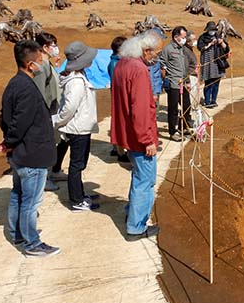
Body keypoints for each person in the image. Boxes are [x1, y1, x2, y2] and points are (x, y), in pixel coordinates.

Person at [0, 40, 60, 257]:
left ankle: (18, 233)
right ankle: (31, 243)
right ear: (30, 64)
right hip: (31, 154)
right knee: (30, 202)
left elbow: (4, 117)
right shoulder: (26, 88)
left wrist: (9, 142)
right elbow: (19, 122)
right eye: (40, 60)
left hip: (21, 153)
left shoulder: (14, 84)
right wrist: (10, 142)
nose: (43, 63)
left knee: (18, 194)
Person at [111, 32, 162, 240]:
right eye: (156, 53)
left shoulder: (122, 64)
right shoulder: (139, 70)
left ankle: (132, 211)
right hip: (139, 137)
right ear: (146, 50)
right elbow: (141, 109)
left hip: (127, 134)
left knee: (138, 175)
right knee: (146, 180)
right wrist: (148, 139)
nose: (156, 58)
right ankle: (137, 226)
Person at [53, 41, 100, 211]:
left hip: (82, 127)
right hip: (77, 129)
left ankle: (80, 193)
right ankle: (76, 200)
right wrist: (59, 121)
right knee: (77, 165)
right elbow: (69, 108)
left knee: (80, 164)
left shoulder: (79, 77)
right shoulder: (76, 82)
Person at [33, 31, 65, 191]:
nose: (55, 48)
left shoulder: (48, 64)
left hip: (54, 111)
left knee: (56, 142)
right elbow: (40, 92)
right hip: (47, 113)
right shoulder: (41, 67)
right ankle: (43, 179)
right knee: (47, 145)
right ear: (45, 48)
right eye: (53, 45)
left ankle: (54, 171)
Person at [160, 26, 193, 141]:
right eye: (183, 37)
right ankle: (172, 132)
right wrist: (166, 80)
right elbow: (162, 66)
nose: (184, 39)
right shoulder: (167, 49)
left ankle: (182, 128)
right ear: (176, 37)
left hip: (183, 83)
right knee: (173, 109)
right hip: (173, 83)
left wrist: (188, 81)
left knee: (187, 105)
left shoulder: (183, 49)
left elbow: (185, 67)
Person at [108, 36, 130, 163]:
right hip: (120, 98)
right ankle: (120, 151)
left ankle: (116, 146)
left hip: (119, 97)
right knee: (121, 123)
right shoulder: (115, 64)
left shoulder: (117, 61)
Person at [198, 21, 230, 108]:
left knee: (216, 83)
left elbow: (226, 48)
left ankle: (213, 100)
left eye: (213, 29)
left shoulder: (218, 36)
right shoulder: (202, 37)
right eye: (210, 29)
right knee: (208, 83)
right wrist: (210, 44)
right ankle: (207, 101)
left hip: (218, 63)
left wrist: (222, 42)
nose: (212, 31)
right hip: (207, 63)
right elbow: (200, 48)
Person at [184, 30, 200, 121]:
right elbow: (185, 66)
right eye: (193, 39)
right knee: (191, 98)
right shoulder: (185, 51)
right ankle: (188, 117)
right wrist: (187, 82)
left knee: (195, 98)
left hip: (194, 75)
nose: (195, 41)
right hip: (189, 76)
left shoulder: (190, 49)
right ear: (188, 41)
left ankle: (191, 116)